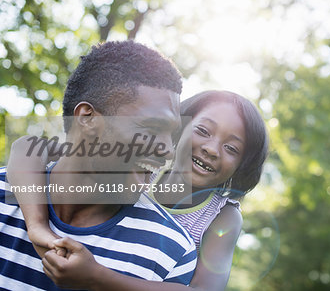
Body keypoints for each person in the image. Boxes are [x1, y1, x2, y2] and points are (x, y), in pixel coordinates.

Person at [7, 90, 269, 290]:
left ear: (242, 166)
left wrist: (97, 276)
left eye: (231, 148)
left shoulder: (223, 217)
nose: (212, 149)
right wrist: (38, 226)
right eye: (203, 130)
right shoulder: (140, 166)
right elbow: (29, 146)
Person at [0, 40, 198, 290]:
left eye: (171, 135)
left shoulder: (171, 251)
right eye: (151, 128)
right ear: (87, 118)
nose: (168, 150)